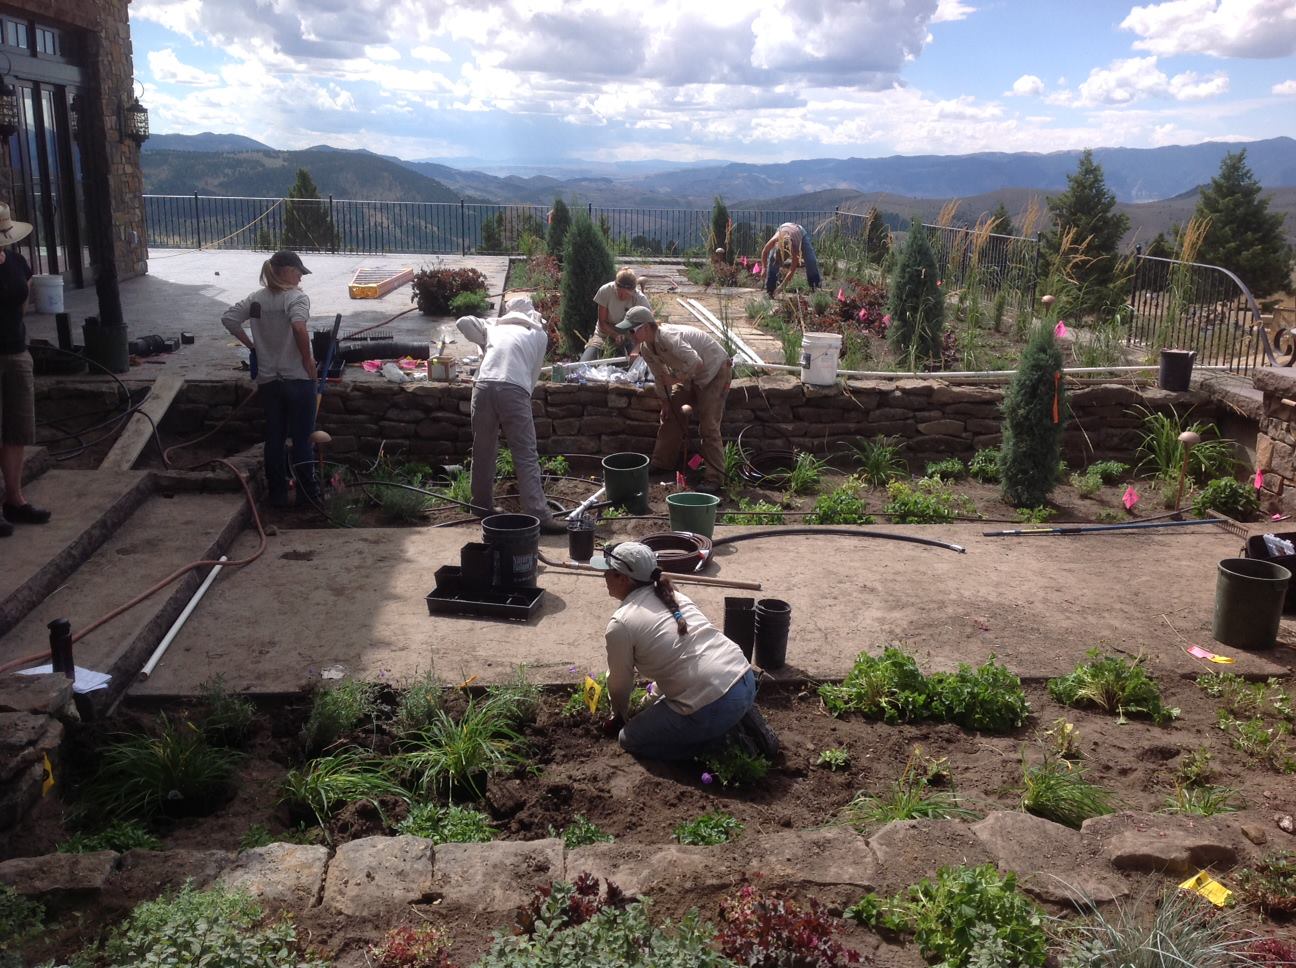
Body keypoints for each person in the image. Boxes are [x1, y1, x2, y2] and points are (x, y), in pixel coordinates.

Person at [600, 541, 777, 761]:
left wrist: (620, 715)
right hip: (744, 679)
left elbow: (619, 685)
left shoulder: (621, 624)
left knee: (629, 739)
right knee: (706, 701)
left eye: (608, 571)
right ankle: (740, 719)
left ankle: (721, 744)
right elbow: (681, 660)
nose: (604, 575)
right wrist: (650, 700)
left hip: (711, 706)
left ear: (623, 578)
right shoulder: (674, 596)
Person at [457, 296, 565, 534]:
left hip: (483, 386)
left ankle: (481, 506)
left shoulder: (494, 328)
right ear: (531, 313)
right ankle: (538, 514)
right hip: (514, 389)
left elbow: (463, 323)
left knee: (483, 449)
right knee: (525, 453)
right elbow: (533, 375)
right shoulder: (537, 334)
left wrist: (489, 331)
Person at [221, 250, 318, 509]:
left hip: (269, 381)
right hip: (298, 379)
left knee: (274, 438)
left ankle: (277, 495)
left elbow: (229, 318)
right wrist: (308, 361)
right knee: (302, 438)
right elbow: (299, 327)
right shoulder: (296, 298)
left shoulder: (257, 300)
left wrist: (254, 347)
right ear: (286, 270)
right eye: (298, 272)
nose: (300, 278)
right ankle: (308, 497)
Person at [616, 306, 731, 494]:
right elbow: (659, 376)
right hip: (690, 376)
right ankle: (662, 463)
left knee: (708, 426)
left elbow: (696, 362)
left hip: (714, 371)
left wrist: (676, 379)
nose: (630, 335)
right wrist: (665, 402)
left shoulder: (669, 337)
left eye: (632, 330)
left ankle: (715, 478)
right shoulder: (647, 347)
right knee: (670, 415)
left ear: (645, 327)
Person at [0, 202, 49, 538]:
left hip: (16, 351)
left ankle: (14, 498)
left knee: (17, 430)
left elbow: (23, 301)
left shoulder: (16, 262)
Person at [582, 268, 650, 361]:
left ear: (633, 291)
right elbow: (602, 323)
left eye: (626, 294)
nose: (621, 296)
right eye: (619, 291)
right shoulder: (605, 291)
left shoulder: (640, 299)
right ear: (615, 286)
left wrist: (637, 348)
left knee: (639, 365)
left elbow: (648, 327)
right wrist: (615, 335)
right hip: (603, 335)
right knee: (584, 363)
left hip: (630, 337)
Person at [759, 222, 821, 297]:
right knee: (772, 259)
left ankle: (815, 287)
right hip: (783, 227)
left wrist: (782, 286)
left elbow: (792, 269)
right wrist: (763, 268)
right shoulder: (775, 240)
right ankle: (770, 289)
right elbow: (765, 251)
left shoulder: (794, 248)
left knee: (811, 261)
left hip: (800, 233)